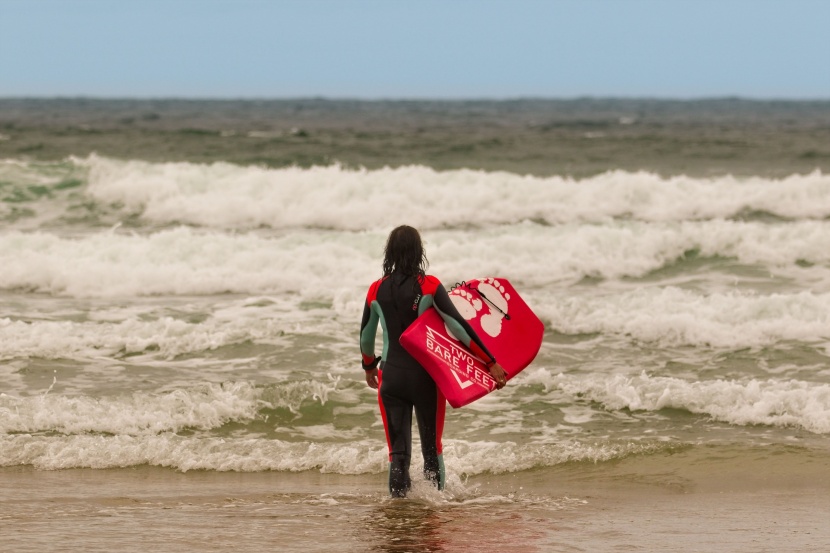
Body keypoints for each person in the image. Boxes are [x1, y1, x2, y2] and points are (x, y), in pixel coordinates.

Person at [359, 225, 507, 497]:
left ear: (389, 252)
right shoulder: (429, 286)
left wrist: (369, 367)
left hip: (390, 379)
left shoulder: (375, 290)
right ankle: (435, 509)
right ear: (419, 252)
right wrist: (490, 361)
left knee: (398, 454)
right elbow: (458, 326)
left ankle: (399, 515)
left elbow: (366, 338)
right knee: (431, 449)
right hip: (425, 378)